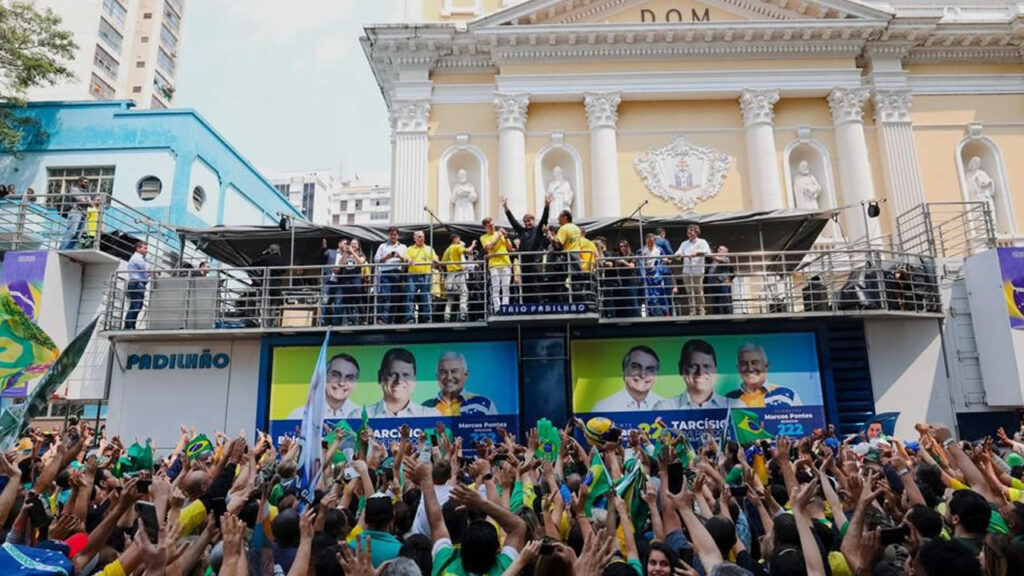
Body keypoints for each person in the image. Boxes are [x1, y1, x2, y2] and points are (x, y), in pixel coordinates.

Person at [502, 194, 551, 303]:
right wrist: (506, 208)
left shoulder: (538, 230)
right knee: (526, 288)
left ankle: (540, 306)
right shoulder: (522, 231)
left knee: (537, 287)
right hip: (524, 264)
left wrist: (547, 206)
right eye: (525, 221)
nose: (527, 223)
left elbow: (544, 219)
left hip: (535, 263)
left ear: (533, 221)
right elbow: (513, 222)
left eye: (529, 221)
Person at [655, 338, 729, 410]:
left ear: (715, 370)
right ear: (681, 368)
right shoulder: (664, 408)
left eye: (706, 366)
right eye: (693, 366)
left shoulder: (732, 406)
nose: (700, 372)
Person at [365, 348, 440, 418]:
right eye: (392, 374)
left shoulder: (430, 415)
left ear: (414, 379)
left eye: (406, 375)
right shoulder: (359, 416)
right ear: (380, 377)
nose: (399, 381)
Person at [725, 342, 802, 408]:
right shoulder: (728, 399)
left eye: (755, 362)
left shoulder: (786, 395)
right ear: (738, 368)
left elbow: (804, 423)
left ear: (766, 366)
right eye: (744, 364)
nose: (750, 368)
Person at [287, 353, 362, 420]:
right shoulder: (299, 415)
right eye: (336, 375)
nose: (341, 383)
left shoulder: (360, 416)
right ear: (324, 376)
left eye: (349, 377)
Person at [591, 345, 665, 412]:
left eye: (650, 369)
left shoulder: (665, 406)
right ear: (624, 370)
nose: (643, 375)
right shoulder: (603, 408)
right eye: (636, 367)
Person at [421, 351, 497, 416]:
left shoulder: (483, 404)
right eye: (443, 372)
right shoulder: (425, 407)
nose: (449, 377)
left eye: (454, 371)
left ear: (466, 374)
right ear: (437, 376)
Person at [673, 224, 711, 316]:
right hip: (686, 271)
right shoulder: (684, 243)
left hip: (697, 271)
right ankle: (692, 311)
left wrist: (698, 252)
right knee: (689, 292)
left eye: (691, 230)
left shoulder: (702, 242)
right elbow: (678, 254)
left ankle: (701, 311)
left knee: (698, 291)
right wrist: (677, 254)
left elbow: (708, 252)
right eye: (688, 231)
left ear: (696, 232)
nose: (689, 232)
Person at [374, 227, 409, 325]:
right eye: (391, 234)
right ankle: (383, 319)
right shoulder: (382, 246)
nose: (393, 236)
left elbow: (407, 260)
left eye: (395, 234)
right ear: (388, 235)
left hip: (398, 273)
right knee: (385, 296)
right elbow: (376, 260)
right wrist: (387, 257)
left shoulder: (403, 247)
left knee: (395, 298)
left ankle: (391, 320)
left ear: (398, 236)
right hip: (385, 273)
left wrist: (400, 256)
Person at [480, 217, 513, 312]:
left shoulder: (500, 234)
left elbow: (510, 248)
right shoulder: (484, 237)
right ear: (485, 227)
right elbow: (490, 246)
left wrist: (505, 236)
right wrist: (499, 235)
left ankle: (505, 308)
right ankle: (498, 309)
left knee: (506, 287)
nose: (492, 227)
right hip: (494, 265)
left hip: (506, 263)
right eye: (490, 226)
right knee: (496, 288)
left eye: (493, 224)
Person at [406, 231, 439, 324]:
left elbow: (436, 258)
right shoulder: (410, 249)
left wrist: (436, 260)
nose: (422, 239)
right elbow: (406, 257)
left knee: (426, 297)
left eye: (423, 237)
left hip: (426, 275)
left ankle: (427, 318)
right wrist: (408, 259)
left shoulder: (429, 249)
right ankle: (410, 318)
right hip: (413, 275)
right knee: (410, 297)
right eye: (419, 237)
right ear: (415, 238)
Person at [441, 234, 475, 322]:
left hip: (449, 275)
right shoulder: (457, 246)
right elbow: (467, 251)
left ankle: (446, 317)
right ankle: (463, 316)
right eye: (459, 238)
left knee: (450, 298)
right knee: (464, 294)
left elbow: (443, 263)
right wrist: (473, 244)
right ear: (455, 239)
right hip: (458, 274)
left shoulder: (447, 249)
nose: (459, 240)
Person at [606, 239, 640, 318]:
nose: (622, 248)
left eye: (624, 246)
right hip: (623, 281)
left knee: (633, 300)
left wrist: (624, 262)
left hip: (631, 280)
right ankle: (629, 318)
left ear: (627, 246)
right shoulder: (619, 256)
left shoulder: (632, 255)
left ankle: (637, 318)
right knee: (626, 301)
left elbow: (632, 266)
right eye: (621, 246)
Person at [639, 233, 670, 317]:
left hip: (657, 275)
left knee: (661, 295)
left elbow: (663, 261)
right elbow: (640, 265)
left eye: (652, 241)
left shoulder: (659, 250)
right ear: (646, 241)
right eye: (649, 241)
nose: (651, 243)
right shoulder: (641, 251)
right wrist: (643, 276)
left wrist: (665, 260)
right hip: (647, 276)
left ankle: (666, 313)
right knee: (649, 297)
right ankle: (651, 315)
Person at [123, 242, 148, 329]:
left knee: (138, 305)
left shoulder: (139, 258)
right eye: (144, 248)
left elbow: (143, 272)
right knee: (135, 305)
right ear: (138, 248)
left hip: (139, 283)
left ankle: (131, 325)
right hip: (136, 283)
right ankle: (128, 325)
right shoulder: (137, 258)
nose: (146, 250)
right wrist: (149, 272)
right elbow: (143, 269)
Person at [60, 177, 90, 250]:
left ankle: (71, 250)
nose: (87, 184)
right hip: (75, 212)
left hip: (83, 214)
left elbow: (91, 204)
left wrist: (85, 201)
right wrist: (85, 201)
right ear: (80, 182)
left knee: (78, 235)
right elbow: (80, 200)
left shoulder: (87, 193)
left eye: (88, 183)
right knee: (71, 232)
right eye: (85, 182)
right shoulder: (75, 189)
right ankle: (62, 249)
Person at [704, 245, 734, 315]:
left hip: (721, 283)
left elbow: (720, 260)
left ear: (725, 252)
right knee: (714, 302)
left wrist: (710, 254)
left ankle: (728, 316)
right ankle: (716, 317)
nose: (718, 250)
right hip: (712, 284)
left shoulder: (726, 258)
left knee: (725, 302)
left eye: (720, 249)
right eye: (718, 249)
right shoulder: (712, 261)